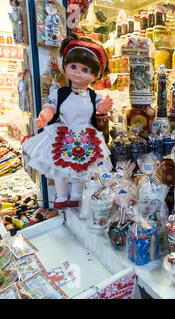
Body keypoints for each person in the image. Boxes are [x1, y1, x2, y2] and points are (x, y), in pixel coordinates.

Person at [23, 34, 113, 209]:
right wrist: (45, 116)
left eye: (85, 70)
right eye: (73, 67)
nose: (78, 72)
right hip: (63, 133)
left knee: (83, 166)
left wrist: (104, 107)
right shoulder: (59, 92)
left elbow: (99, 109)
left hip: (86, 135)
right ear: (66, 67)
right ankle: (61, 195)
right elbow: (51, 107)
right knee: (58, 164)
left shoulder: (93, 95)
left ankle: (76, 195)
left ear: (95, 75)